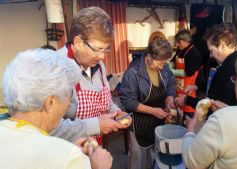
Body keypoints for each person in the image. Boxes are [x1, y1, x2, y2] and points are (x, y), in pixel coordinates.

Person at [0, 49, 112, 169]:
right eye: (69, 98)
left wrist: (65, 148)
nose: (69, 104)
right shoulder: (68, 158)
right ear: (50, 103)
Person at [54, 6, 131, 144]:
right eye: (97, 49)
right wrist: (95, 125)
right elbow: (49, 128)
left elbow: (106, 103)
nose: (101, 56)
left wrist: (118, 113)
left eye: (105, 49)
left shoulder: (99, 66)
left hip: (94, 144)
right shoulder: (56, 68)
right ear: (77, 43)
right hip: (68, 150)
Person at [120, 37, 176, 169]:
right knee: (137, 156)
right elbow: (128, 101)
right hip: (139, 121)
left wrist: (170, 97)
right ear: (149, 56)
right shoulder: (133, 72)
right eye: (160, 63)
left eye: (164, 63)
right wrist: (153, 111)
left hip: (158, 119)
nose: (162, 67)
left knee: (154, 153)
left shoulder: (165, 67)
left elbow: (171, 84)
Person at [175, 23, 237, 114]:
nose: (211, 55)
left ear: (222, 45)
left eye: (211, 50)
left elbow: (214, 106)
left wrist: (187, 100)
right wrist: (197, 86)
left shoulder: (230, 69)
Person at [169, 29, 203, 118]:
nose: (176, 45)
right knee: (179, 111)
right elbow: (173, 60)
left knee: (188, 114)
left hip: (190, 87)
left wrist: (173, 71)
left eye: (177, 42)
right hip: (180, 86)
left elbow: (189, 72)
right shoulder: (180, 50)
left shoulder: (193, 52)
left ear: (183, 41)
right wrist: (169, 65)